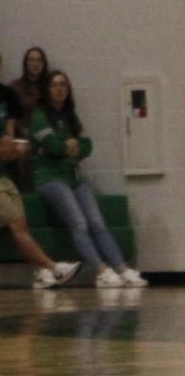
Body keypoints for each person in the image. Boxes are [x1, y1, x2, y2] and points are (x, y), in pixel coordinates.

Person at [0, 74, 77, 289]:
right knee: (18, 227)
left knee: (22, 227)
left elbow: (13, 151)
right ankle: (54, 268)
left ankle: (40, 273)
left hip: (2, 178)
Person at [29, 72, 145, 287]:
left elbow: (86, 145)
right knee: (79, 224)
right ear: (46, 89)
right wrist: (67, 146)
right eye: (54, 85)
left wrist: (70, 147)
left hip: (73, 177)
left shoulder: (70, 115)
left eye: (63, 84)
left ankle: (121, 269)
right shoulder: (39, 116)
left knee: (97, 223)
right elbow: (54, 146)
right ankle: (101, 271)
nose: (59, 89)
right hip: (50, 178)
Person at [13, 47, 50, 113]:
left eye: (39, 60)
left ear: (44, 64)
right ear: (25, 63)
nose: (35, 64)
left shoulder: (50, 87)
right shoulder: (15, 87)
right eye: (31, 60)